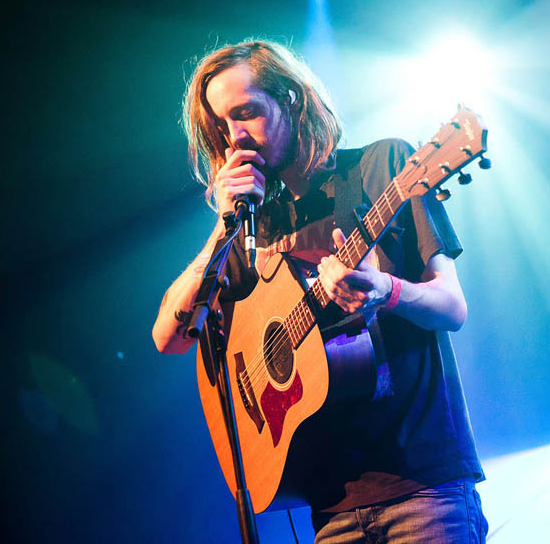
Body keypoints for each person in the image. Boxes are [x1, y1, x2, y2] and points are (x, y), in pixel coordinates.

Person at [152, 40, 487, 543]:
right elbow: (169, 337)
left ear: (291, 99)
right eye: (223, 126)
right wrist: (222, 229)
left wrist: (387, 291)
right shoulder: (252, 226)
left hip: (424, 490)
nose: (235, 138)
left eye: (246, 113)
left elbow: (452, 307)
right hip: (329, 509)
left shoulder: (385, 165)